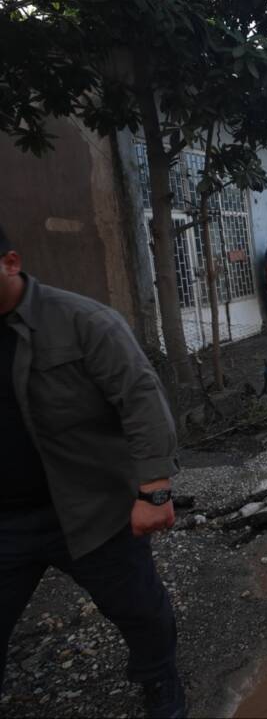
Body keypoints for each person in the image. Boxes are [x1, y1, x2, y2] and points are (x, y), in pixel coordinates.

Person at [0, 225, 186, 718]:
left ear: (11, 263)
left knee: (139, 609)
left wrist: (154, 492)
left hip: (92, 507)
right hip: (7, 520)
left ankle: (159, 679)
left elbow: (142, 400)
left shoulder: (83, 322)